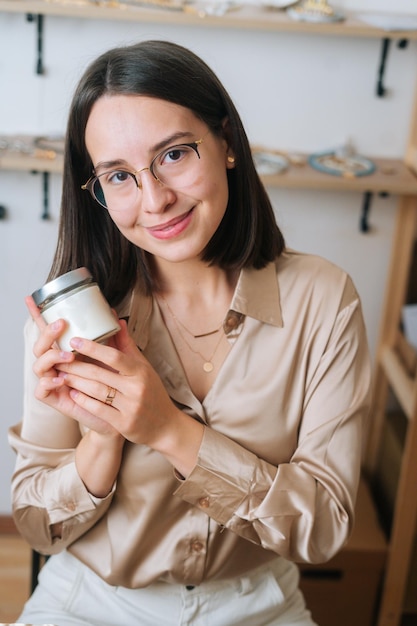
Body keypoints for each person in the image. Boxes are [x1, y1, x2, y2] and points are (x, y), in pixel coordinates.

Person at [9, 40, 371, 626]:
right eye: (119, 176)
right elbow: (36, 526)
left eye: (175, 154)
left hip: (258, 603)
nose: (155, 200)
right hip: (91, 600)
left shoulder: (324, 299)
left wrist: (169, 431)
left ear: (226, 142)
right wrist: (101, 441)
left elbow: (323, 527)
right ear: (97, 193)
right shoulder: (74, 319)